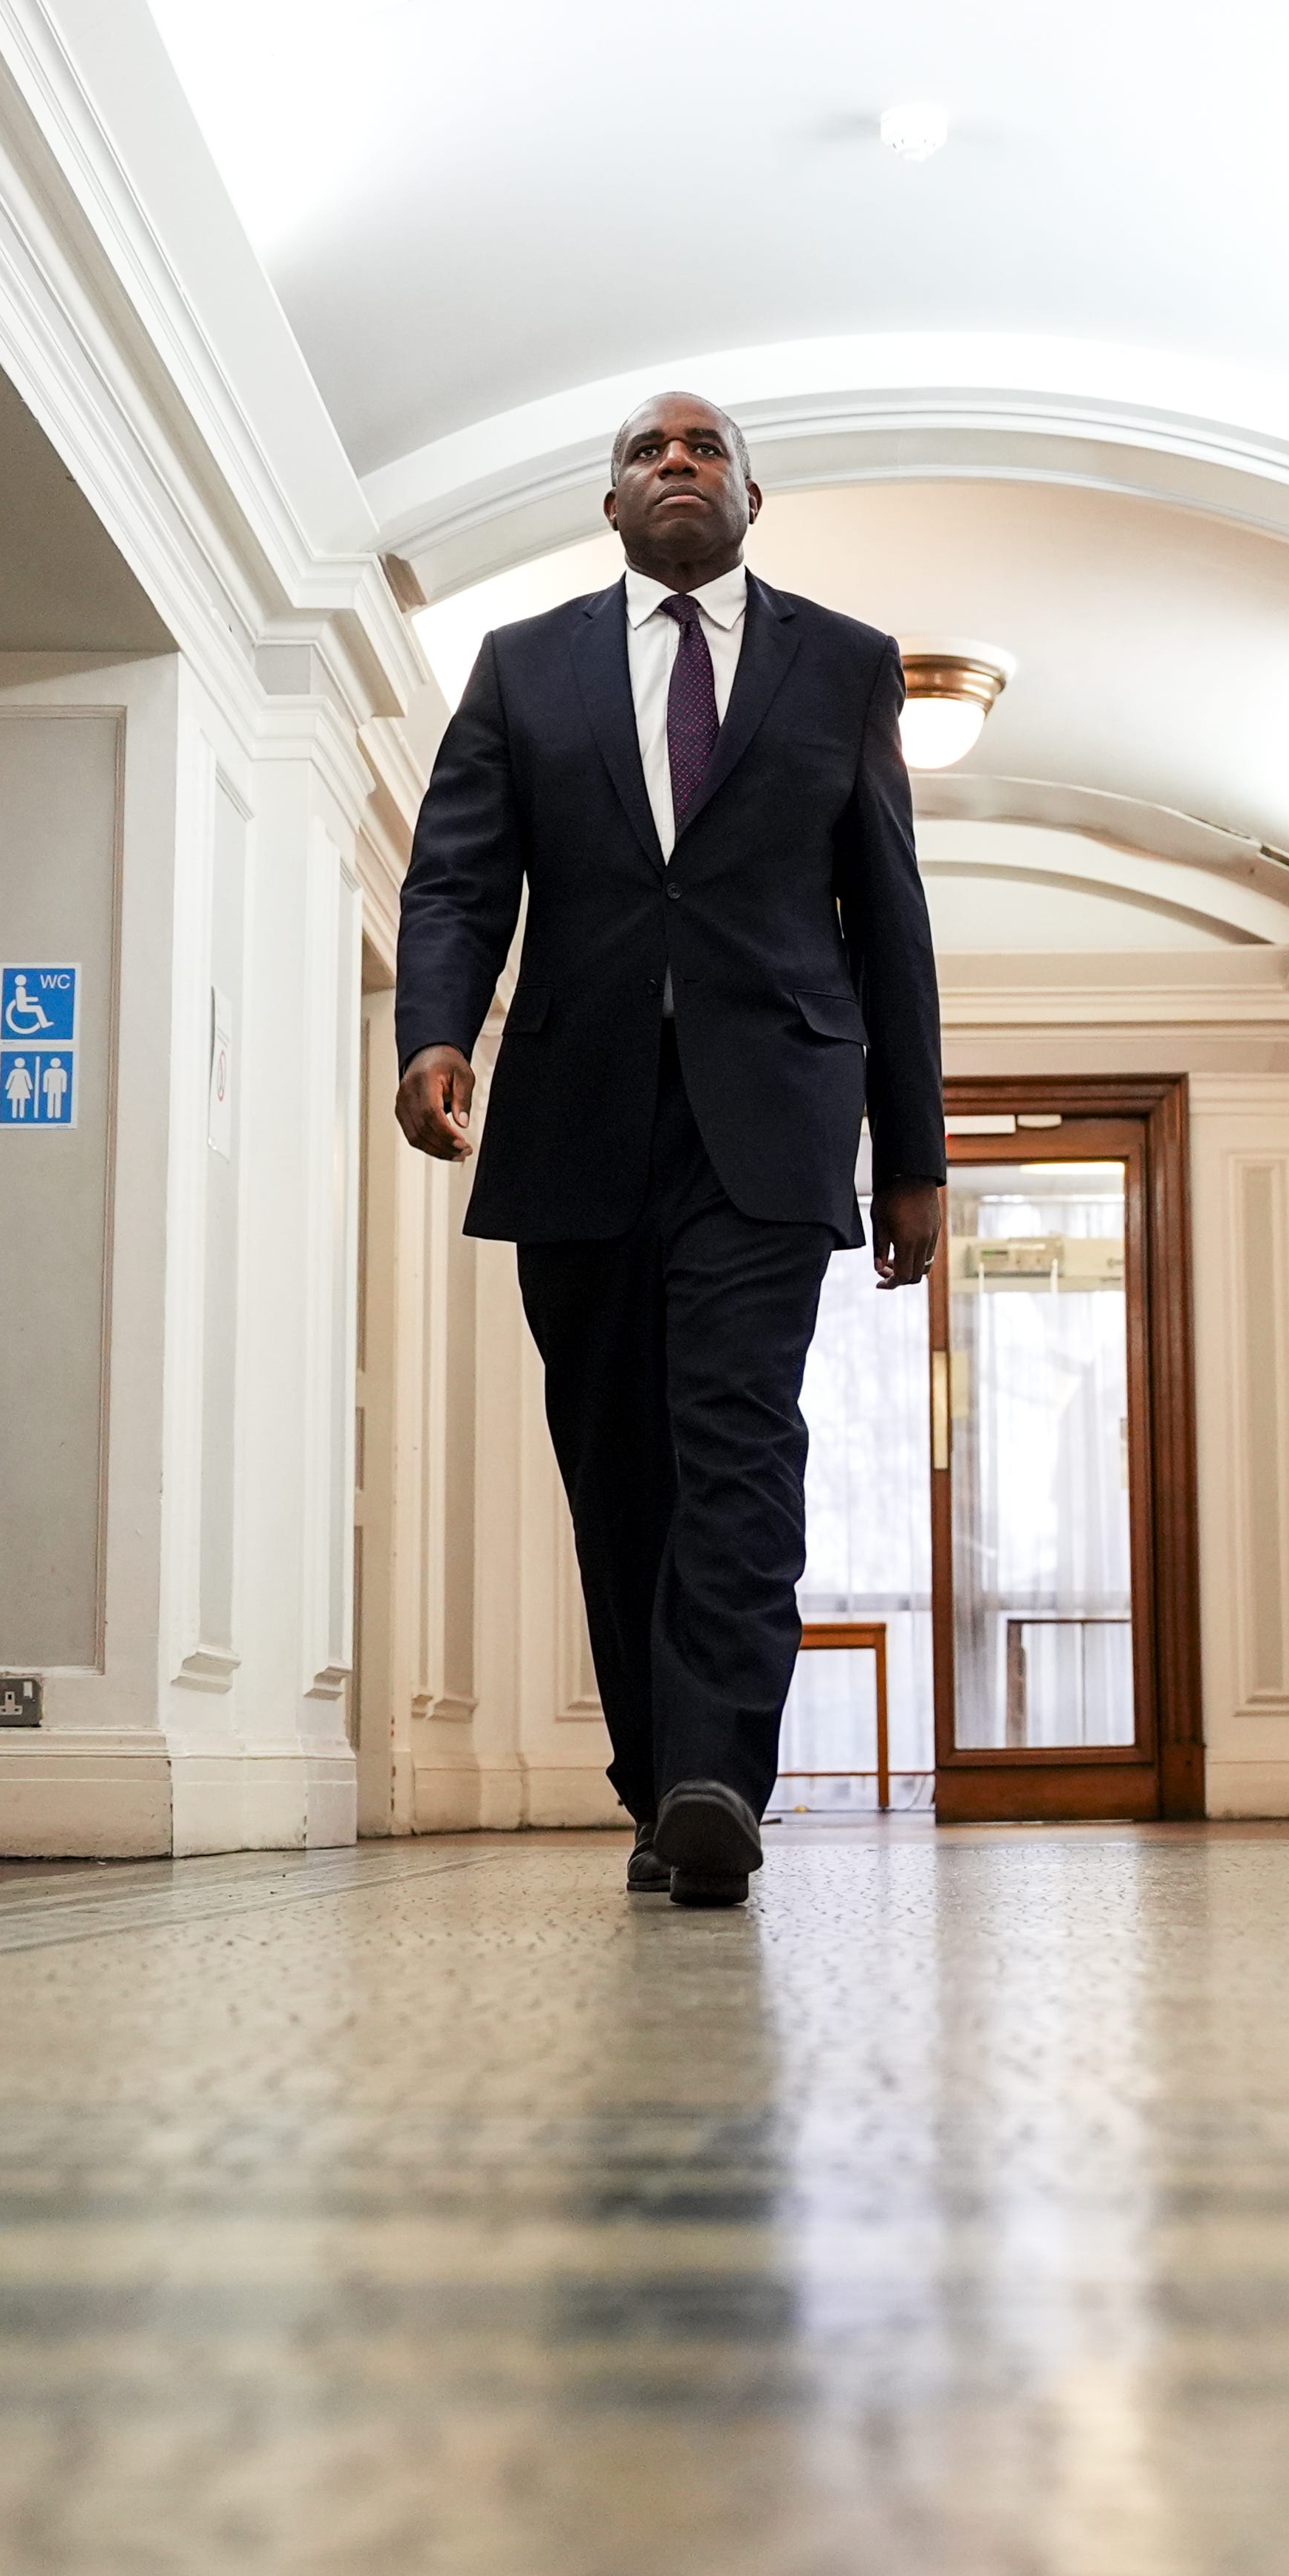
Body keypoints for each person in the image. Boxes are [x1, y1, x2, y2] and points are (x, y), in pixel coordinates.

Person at [392, 392, 944, 1908]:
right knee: (616, 1459)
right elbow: (454, 877)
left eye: (707, 451)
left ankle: (717, 1772)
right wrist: (432, 1030)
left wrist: (913, 1150)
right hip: (575, 1120)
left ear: (752, 502)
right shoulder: (521, 668)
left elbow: (887, 916)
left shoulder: (841, 666)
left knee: (738, 1437)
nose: (679, 465)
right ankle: (657, 1777)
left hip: (766, 1120)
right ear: (612, 504)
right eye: (650, 450)